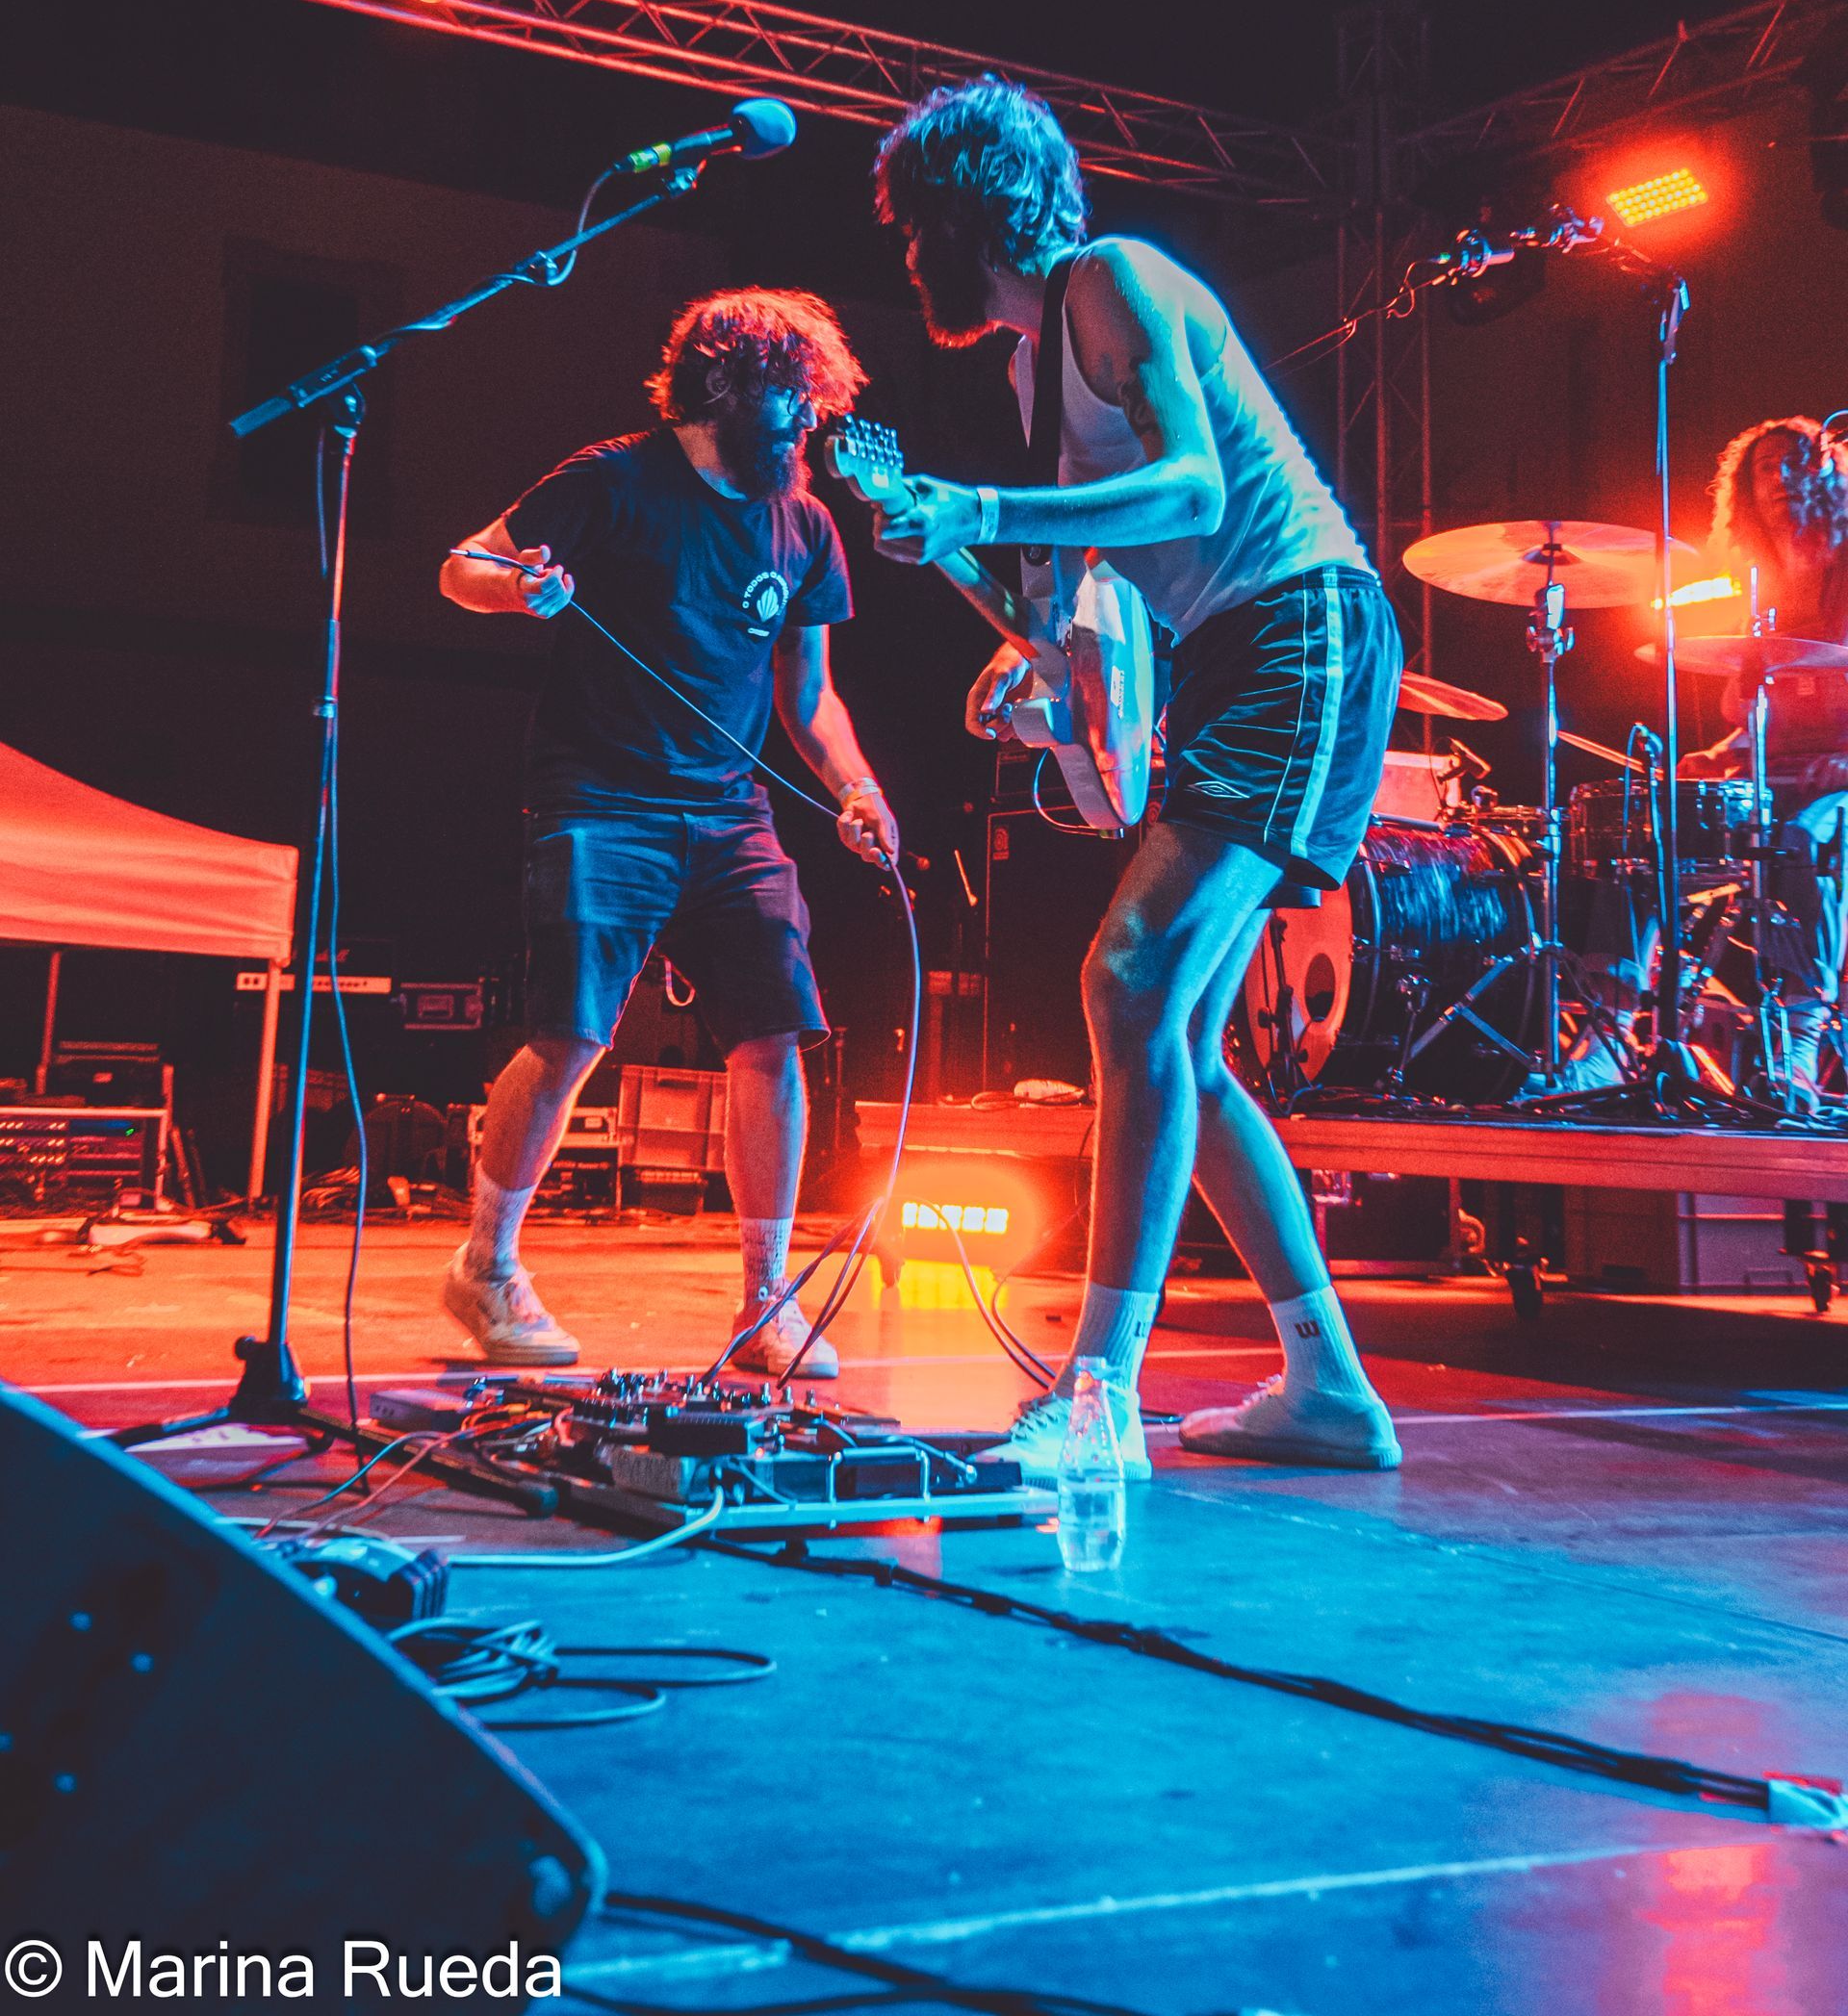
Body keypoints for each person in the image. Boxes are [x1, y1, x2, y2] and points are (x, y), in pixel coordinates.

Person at [870, 74, 1402, 1478]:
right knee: (1180, 1045)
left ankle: (1099, 1398)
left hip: (1304, 622)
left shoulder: (1113, 279)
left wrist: (977, 506)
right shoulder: (1031, 368)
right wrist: (1027, 675)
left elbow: (1193, 495)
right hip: (1235, 656)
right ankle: (1330, 1388)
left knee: (1130, 980)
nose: (908, 258)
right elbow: (1078, 614)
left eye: (914, 225)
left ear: (963, 214)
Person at [439, 287, 899, 1373]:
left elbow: (809, 697)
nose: (805, 419)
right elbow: (465, 565)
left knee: (773, 1032)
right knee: (573, 1035)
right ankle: (486, 1266)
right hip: (599, 796)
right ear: (722, 384)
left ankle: (763, 1301)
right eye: (788, 394)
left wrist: (858, 788)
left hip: (729, 812)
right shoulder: (612, 479)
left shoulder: (806, 525)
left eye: (813, 397)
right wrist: (522, 595)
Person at [1681, 416, 1848, 1103]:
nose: (1778, 479)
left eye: (1792, 465)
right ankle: (1611, 1029)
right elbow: (1755, 711)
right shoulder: (1755, 587)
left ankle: (1802, 1038)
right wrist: (1720, 755)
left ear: (1823, 473)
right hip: (1775, 773)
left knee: (1797, 838)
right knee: (1648, 833)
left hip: (1839, 779)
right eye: (1763, 469)